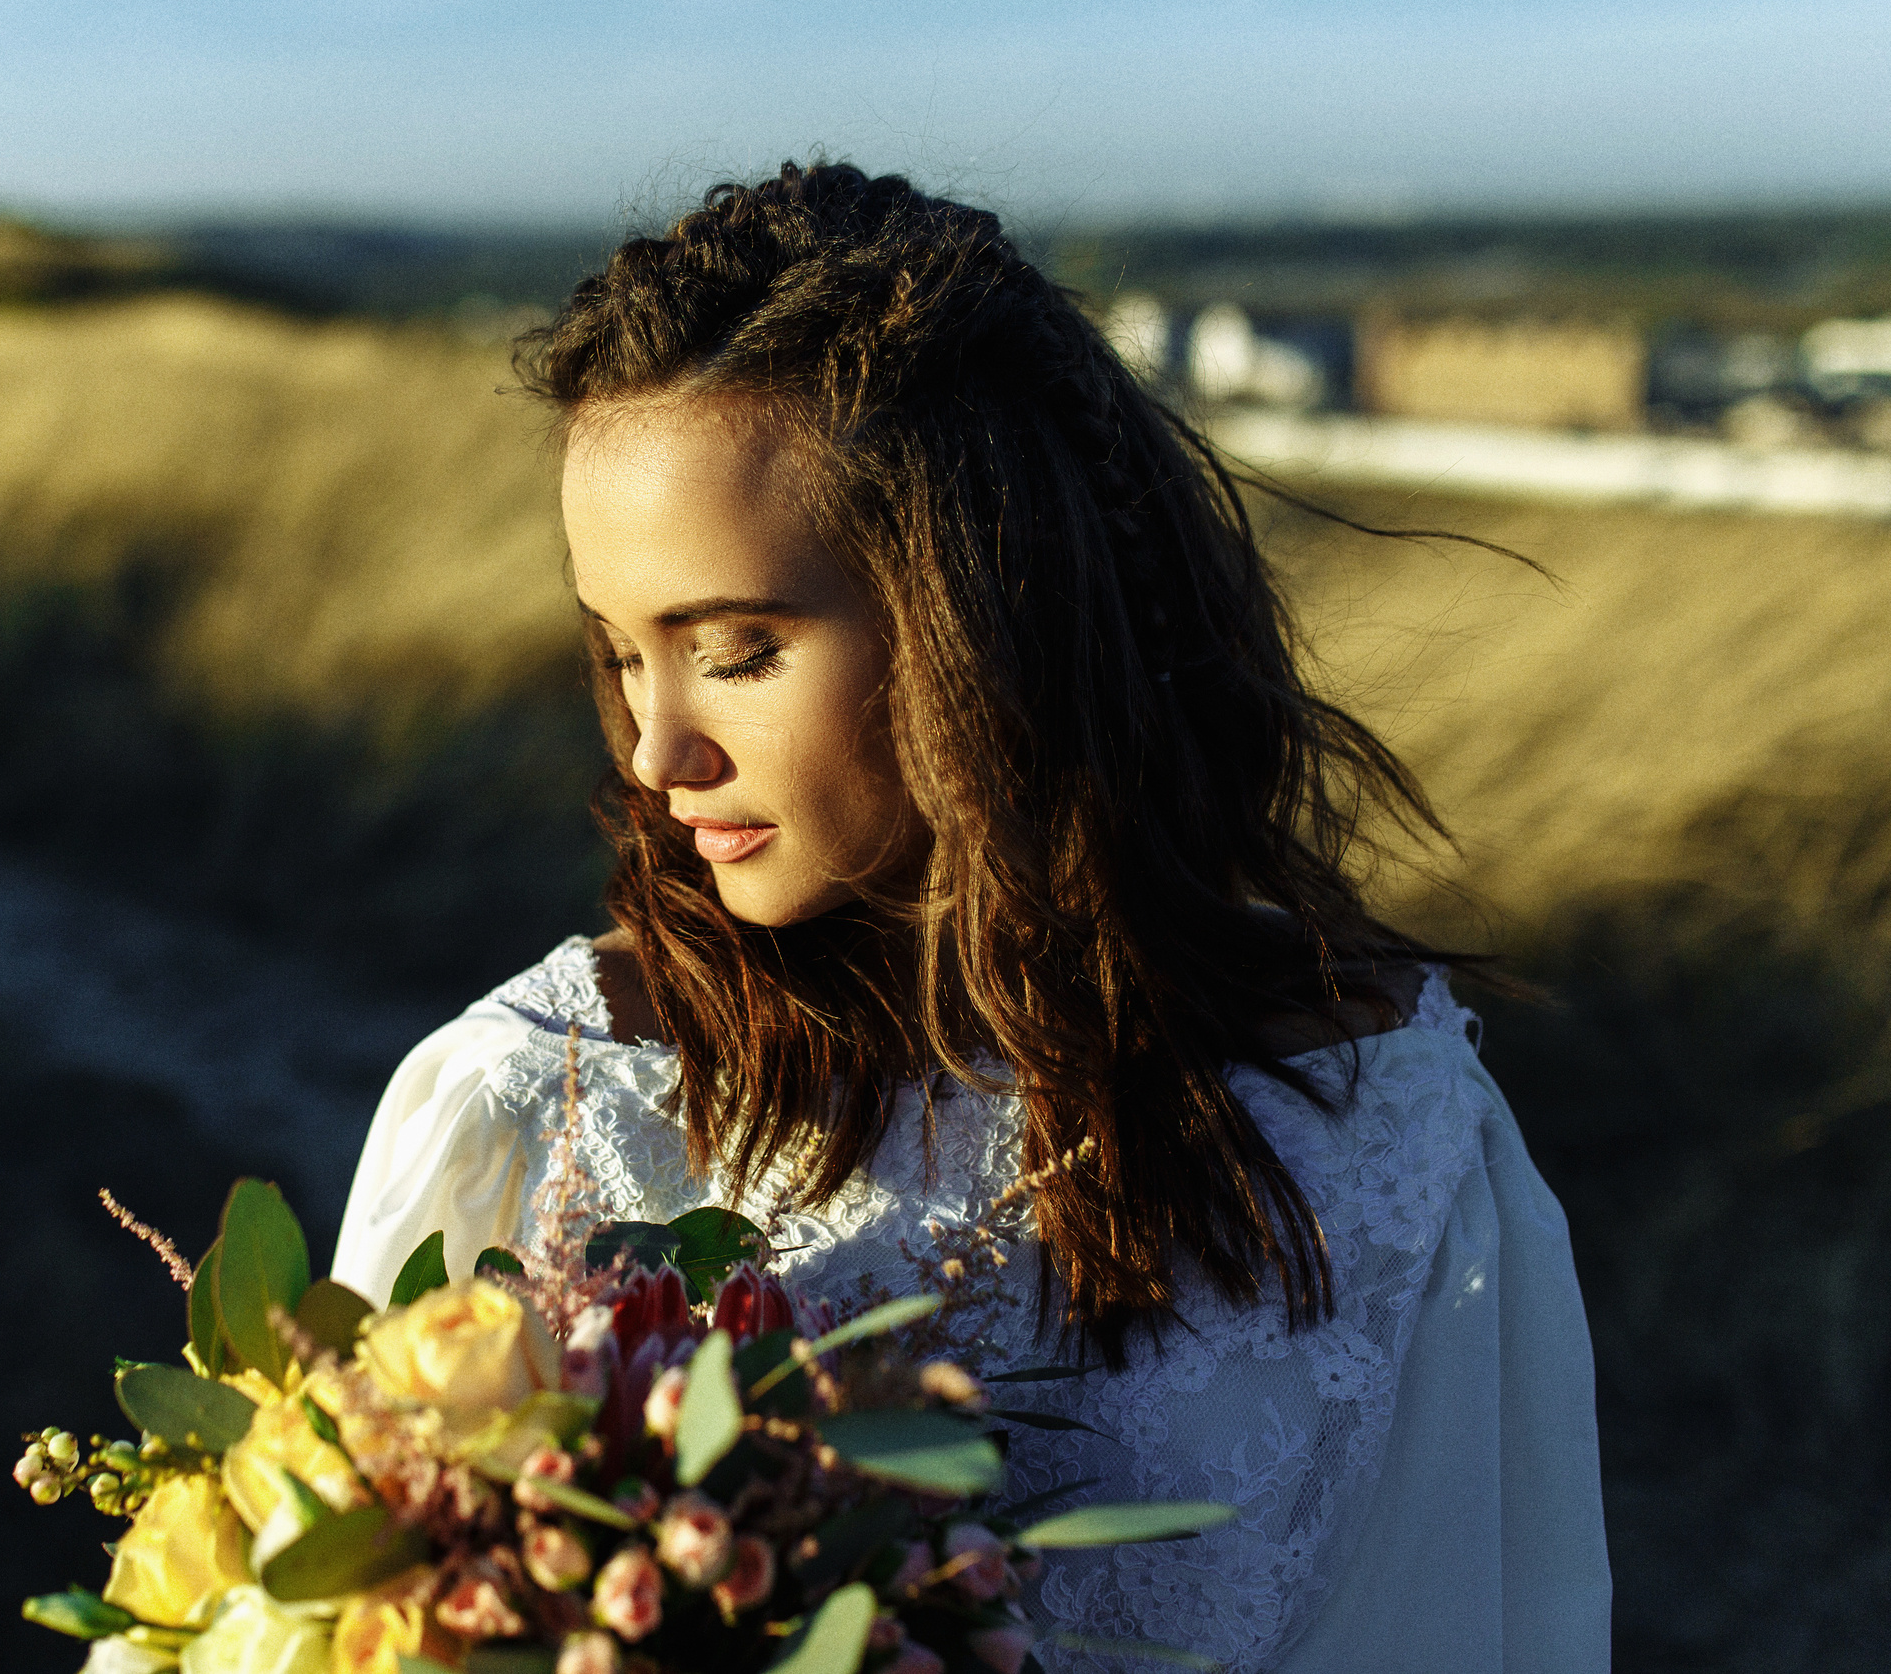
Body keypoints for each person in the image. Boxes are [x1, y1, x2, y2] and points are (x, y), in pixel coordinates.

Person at [329, 162, 1610, 1672]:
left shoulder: (1381, 1136)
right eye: (621, 654)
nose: (654, 754)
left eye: (738, 650)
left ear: (989, 622)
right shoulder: (535, 1106)